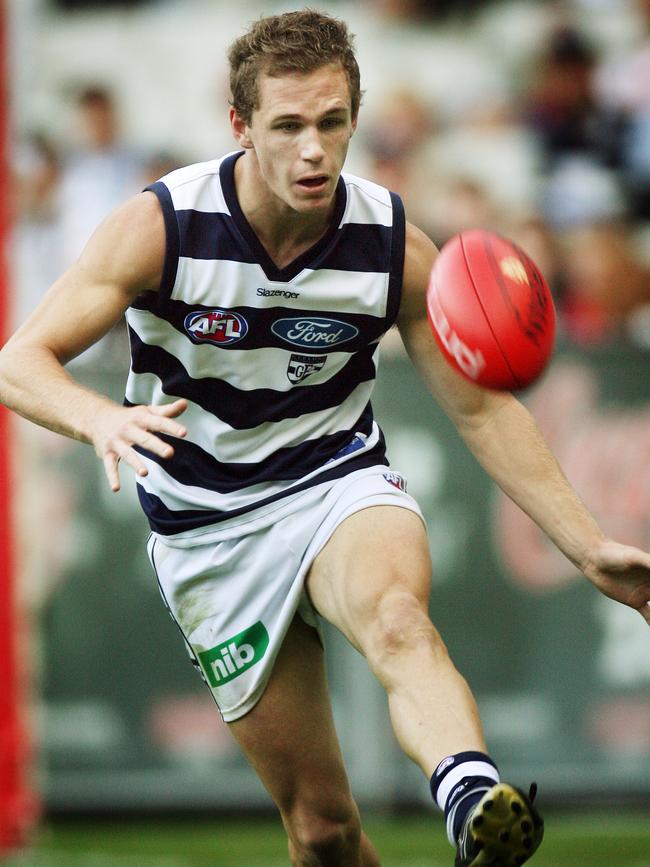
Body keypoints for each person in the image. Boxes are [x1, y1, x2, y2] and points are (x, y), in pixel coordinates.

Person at [1, 10, 650, 867]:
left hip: (334, 480)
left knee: (397, 617)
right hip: (206, 526)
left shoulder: (389, 245)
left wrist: (588, 545)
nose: (315, 150)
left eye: (333, 122)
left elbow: (485, 409)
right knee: (323, 830)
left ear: (355, 115)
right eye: (289, 126)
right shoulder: (163, 226)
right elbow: (20, 361)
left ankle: (467, 793)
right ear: (240, 127)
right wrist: (99, 417)